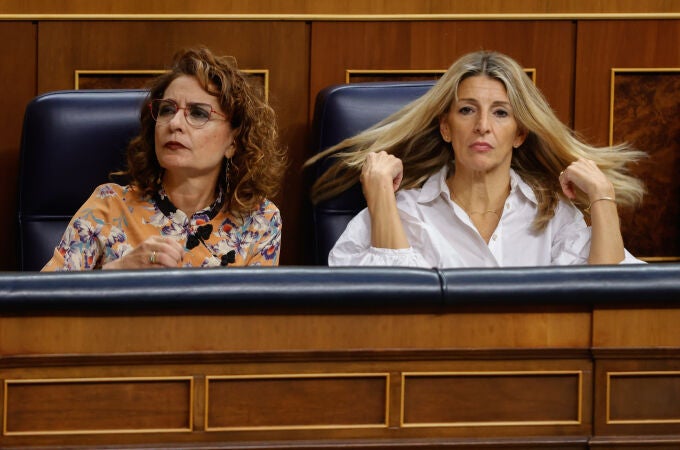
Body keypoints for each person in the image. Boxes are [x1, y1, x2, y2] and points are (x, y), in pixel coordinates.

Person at [306, 50, 645, 267]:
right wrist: (379, 193)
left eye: (500, 113)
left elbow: (606, 302)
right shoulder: (403, 211)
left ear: (520, 134)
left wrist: (603, 197)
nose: (482, 126)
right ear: (446, 127)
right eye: (467, 110)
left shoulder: (552, 215)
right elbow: (385, 314)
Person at [43, 46, 287, 270]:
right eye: (167, 109)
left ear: (233, 142)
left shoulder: (259, 220)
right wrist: (116, 271)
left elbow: (258, 317)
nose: (175, 123)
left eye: (198, 113)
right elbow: (40, 302)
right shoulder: (108, 206)